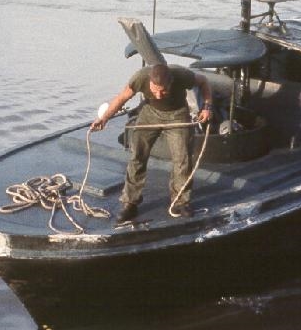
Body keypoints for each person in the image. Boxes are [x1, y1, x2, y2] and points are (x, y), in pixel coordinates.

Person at [91, 64, 213, 222]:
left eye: (163, 91)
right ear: (149, 82)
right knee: (137, 156)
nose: (159, 95)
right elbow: (122, 98)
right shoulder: (140, 77)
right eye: (155, 90)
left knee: (183, 159)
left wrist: (207, 107)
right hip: (150, 113)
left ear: (171, 82)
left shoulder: (182, 76)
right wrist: (104, 119)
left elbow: (204, 82)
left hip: (177, 114)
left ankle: (181, 202)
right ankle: (130, 203)